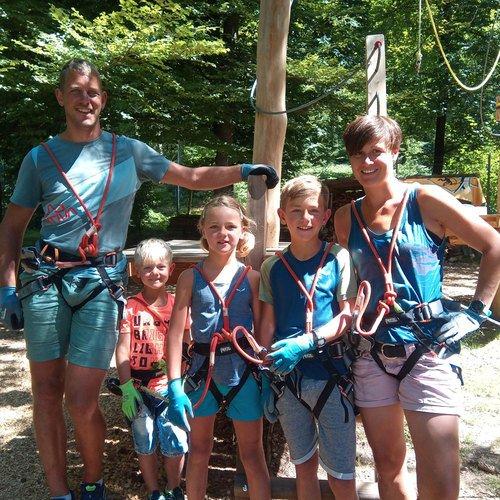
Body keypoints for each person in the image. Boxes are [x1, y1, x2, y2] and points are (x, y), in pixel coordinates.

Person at [0, 58, 278, 500]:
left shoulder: (127, 150)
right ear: (60, 97)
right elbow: (13, 225)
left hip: (99, 283)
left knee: (82, 395)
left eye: (92, 92)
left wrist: (243, 171)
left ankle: (93, 483)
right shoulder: (40, 158)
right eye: (75, 91)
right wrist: (8, 285)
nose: (84, 99)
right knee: (46, 391)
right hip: (48, 281)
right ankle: (58, 490)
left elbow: (189, 177)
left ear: (103, 99)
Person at [334, 114, 500, 500]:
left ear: (394, 151)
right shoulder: (347, 218)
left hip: (427, 348)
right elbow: (350, 283)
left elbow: (493, 245)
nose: (367, 162)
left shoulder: (425, 200)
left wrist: (475, 311)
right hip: (372, 352)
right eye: (358, 155)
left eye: (376, 152)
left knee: (440, 477)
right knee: (388, 467)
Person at [259, 175, 358, 500]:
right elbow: (268, 326)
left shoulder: (337, 258)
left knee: (341, 476)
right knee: (303, 466)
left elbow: (347, 315)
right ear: (282, 215)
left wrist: (307, 342)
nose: (305, 218)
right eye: (296, 210)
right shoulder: (273, 267)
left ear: (326, 216)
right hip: (288, 381)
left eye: (314, 210)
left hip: (330, 375)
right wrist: (264, 372)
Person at [166, 195, 271, 500]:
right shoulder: (189, 278)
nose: (222, 233)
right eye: (214, 227)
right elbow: (175, 333)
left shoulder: (251, 277)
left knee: (252, 453)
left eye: (230, 226)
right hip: (202, 373)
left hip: (244, 373)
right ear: (203, 229)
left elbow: (263, 330)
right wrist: (174, 382)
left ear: (242, 231)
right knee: (199, 449)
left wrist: (267, 372)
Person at [115, 239, 190, 500]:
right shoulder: (129, 307)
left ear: (171, 269)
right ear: (136, 271)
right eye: (147, 268)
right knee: (144, 439)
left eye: (160, 266)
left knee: (175, 440)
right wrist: (125, 388)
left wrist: (180, 379)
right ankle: (153, 491)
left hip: (169, 385)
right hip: (138, 386)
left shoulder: (179, 305)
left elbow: (187, 344)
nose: (154, 273)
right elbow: (123, 349)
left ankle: (173, 487)